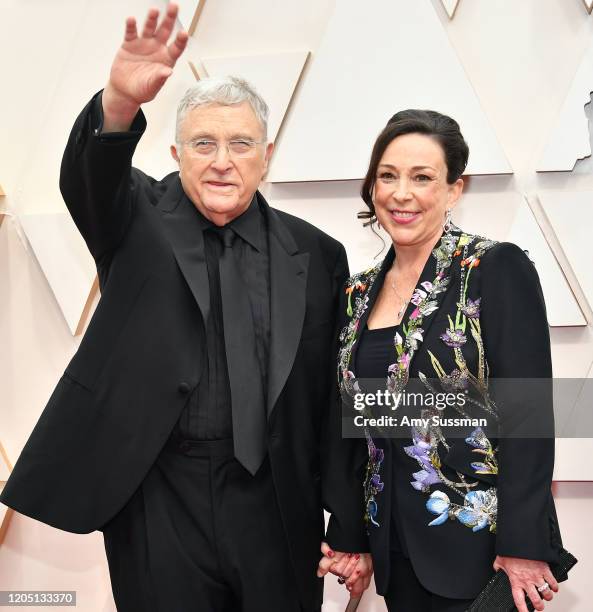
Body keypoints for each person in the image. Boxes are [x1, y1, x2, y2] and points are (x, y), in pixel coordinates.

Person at [0, 4, 372, 610]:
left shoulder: (317, 254)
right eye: (203, 143)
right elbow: (92, 177)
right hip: (158, 496)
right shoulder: (135, 219)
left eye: (239, 143)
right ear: (175, 152)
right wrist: (119, 102)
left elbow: (332, 400)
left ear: (267, 154)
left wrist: (350, 525)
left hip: (275, 503)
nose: (221, 160)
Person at [318, 109, 564, 611]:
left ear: (454, 189)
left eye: (422, 177)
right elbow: (351, 419)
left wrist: (522, 546)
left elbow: (528, 415)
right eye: (387, 176)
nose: (400, 193)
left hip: (482, 548)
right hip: (394, 549)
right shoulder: (358, 291)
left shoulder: (493, 268)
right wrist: (351, 533)